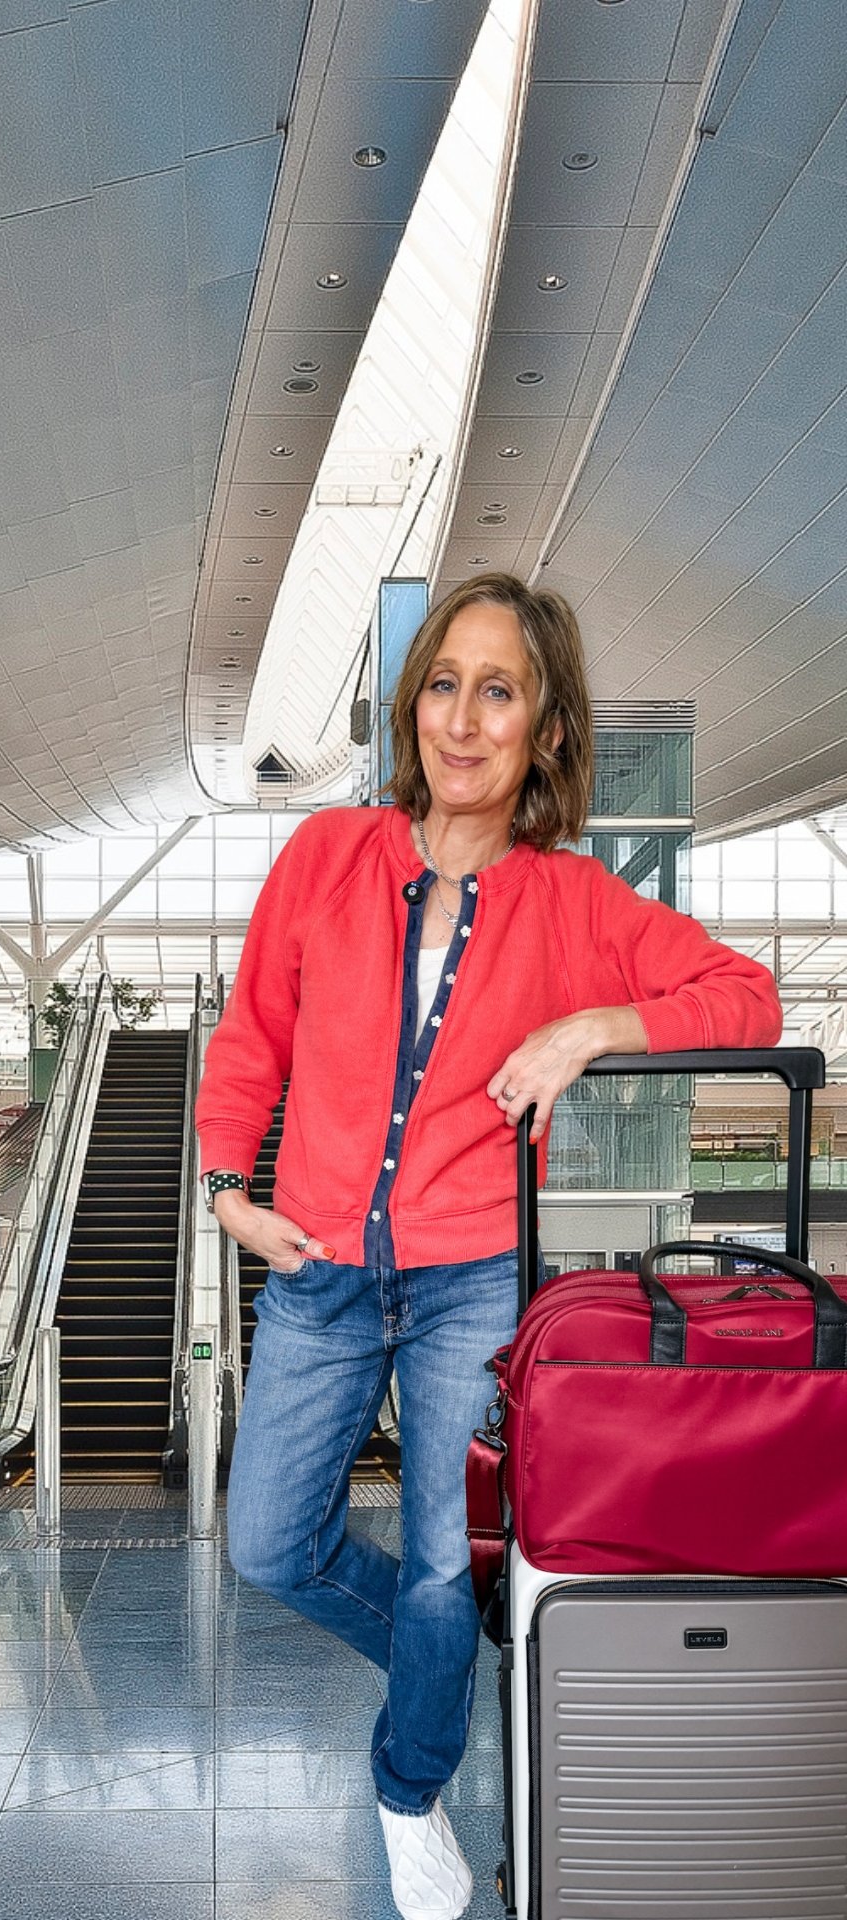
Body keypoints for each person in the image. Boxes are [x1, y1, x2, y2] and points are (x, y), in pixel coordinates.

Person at [195, 572, 781, 1920]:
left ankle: (409, 1787)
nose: (463, 718)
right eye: (444, 684)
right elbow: (248, 1050)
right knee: (271, 1551)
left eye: (498, 689)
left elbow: (743, 995)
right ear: (415, 709)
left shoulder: (576, 905)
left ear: (548, 729)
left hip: (473, 1282)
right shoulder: (325, 865)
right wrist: (231, 1189)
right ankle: (454, 1650)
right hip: (316, 1269)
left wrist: (593, 1029)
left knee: (451, 1561)